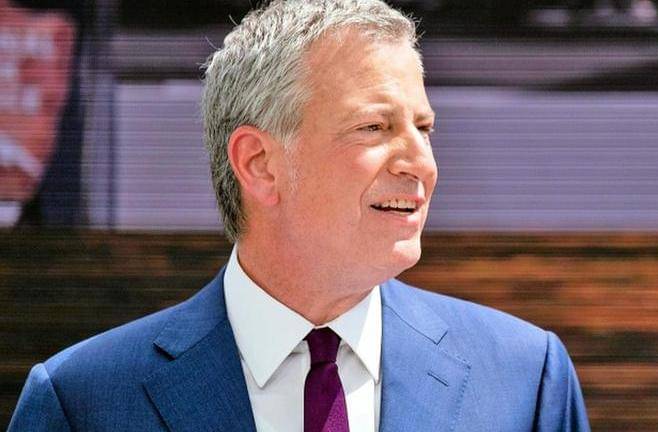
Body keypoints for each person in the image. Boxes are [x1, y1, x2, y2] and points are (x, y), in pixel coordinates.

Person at [9, 0, 590, 430]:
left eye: (424, 128)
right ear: (259, 163)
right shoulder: (82, 402)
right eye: (375, 127)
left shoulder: (525, 379)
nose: (422, 163)